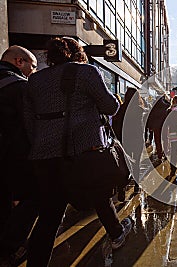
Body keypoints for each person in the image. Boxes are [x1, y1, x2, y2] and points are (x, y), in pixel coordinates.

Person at [24, 37, 131, 267]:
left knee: (49, 217)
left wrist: (43, 146)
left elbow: (29, 122)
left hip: (45, 158)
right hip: (83, 151)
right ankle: (117, 234)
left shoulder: (34, 80)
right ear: (77, 52)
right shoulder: (87, 72)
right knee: (100, 195)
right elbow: (110, 107)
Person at [0, 45, 38, 265]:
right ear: (19, 62)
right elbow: (30, 125)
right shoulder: (19, 86)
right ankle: (10, 248)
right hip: (14, 154)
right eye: (31, 66)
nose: (33, 71)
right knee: (33, 199)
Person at [113, 87, 145, 195]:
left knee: (124, 163)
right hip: (137, 140)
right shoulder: (140, 110)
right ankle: (136, 185)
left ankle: (122, 187)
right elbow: (141, 127)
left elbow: (117, 125)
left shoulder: (121, 108)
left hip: (124, 140)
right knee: (136, 164)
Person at [146, 94, 170, 165]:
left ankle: (159, 154)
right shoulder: (167, 105)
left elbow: (150, 117)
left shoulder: (153, 107)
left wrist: (149, 126)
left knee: (157, 140)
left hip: (156, 126)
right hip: (165, 126)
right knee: (165, 139)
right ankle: (166, 154)